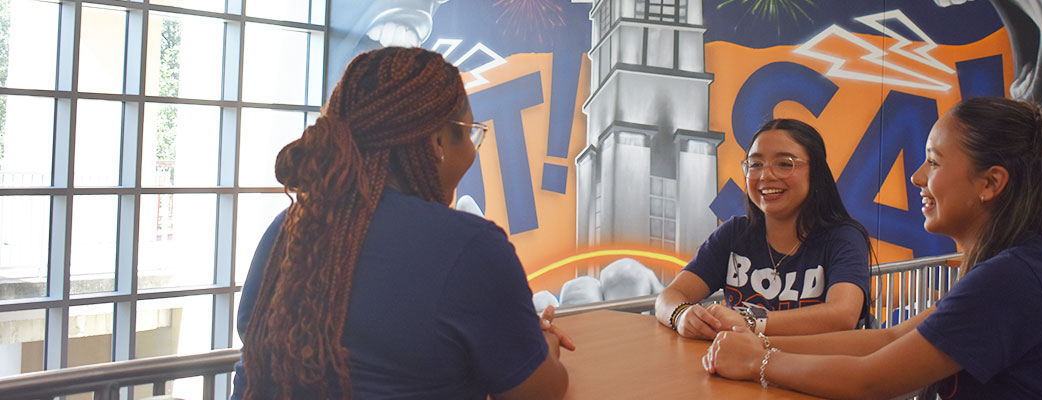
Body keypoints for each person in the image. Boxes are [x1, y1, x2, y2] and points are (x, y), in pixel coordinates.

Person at [701, 97, 1042, 399]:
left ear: (991, 183)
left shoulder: (1011, 276)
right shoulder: (1018, 262)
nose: (917, 177)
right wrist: (756, 341)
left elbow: (872, 380)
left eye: (933, 162)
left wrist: (760, 361)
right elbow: (891, 338)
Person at [231, 47, 573, 400]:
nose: (473, 150)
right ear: (439, 141)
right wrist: (542, 344)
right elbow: (541, 392)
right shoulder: (472, 250)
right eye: (472, 133)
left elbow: (253, 334)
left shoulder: (289, 228)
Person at [654, 119, 872, 339]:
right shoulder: (734, 234)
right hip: (739, 368)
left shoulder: (844, 237)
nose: (766, 176)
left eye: (785, 164)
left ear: (816, 173)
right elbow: (669, 296)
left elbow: (842, 316)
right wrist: (681, 315)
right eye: (755, 164)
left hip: (814, 370)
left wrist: (751, 322)